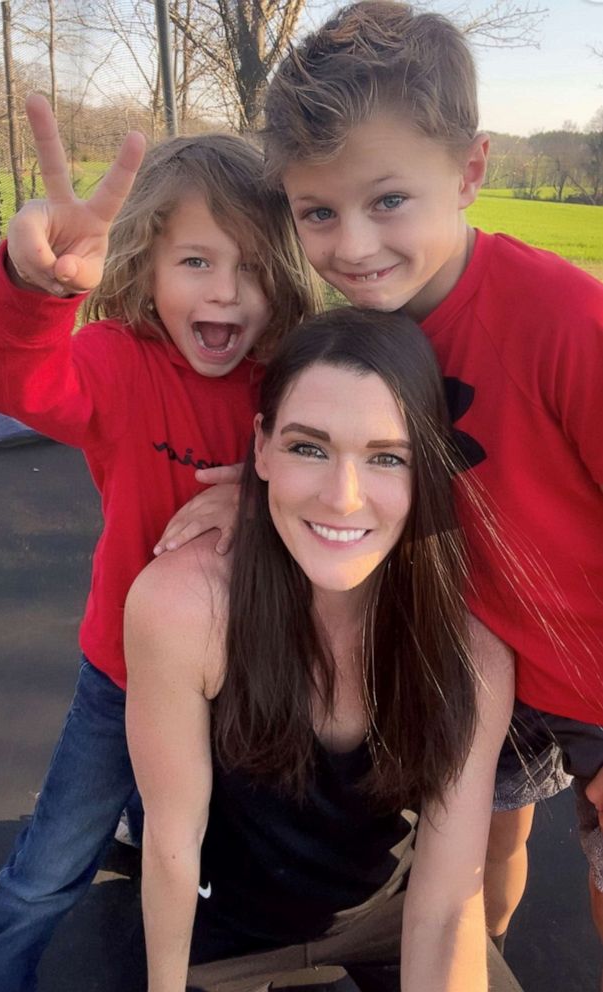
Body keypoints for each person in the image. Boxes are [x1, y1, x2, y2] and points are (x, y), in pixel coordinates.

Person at [258, 0, 603, 970]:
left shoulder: (563, 320)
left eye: (388, 202)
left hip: (594, 673)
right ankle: (487, 949)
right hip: (485, 659)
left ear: (470, 170)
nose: (353, 245)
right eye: (318, 212)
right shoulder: (354, 337)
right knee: (493, 836)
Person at [0, 94, 318, 992]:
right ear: (149, 265)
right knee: (49, 871)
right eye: (195, 260)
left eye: (249, 266)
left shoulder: (291, 381)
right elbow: (22, 381)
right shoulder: (120, 364)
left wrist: (261, 481)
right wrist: (36, 291)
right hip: (124, 675)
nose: (223, 291)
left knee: (198, 846)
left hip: (245, 682)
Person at [124, 307, 514, 992]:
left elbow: (445, 906)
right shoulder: (185, 609)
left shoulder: (469, 657)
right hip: (228, 940)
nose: (343, 497)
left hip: (389, 918)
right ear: (262, 448)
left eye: (386, 457)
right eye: (308, 447)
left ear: (427, 471)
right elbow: (173, 841)